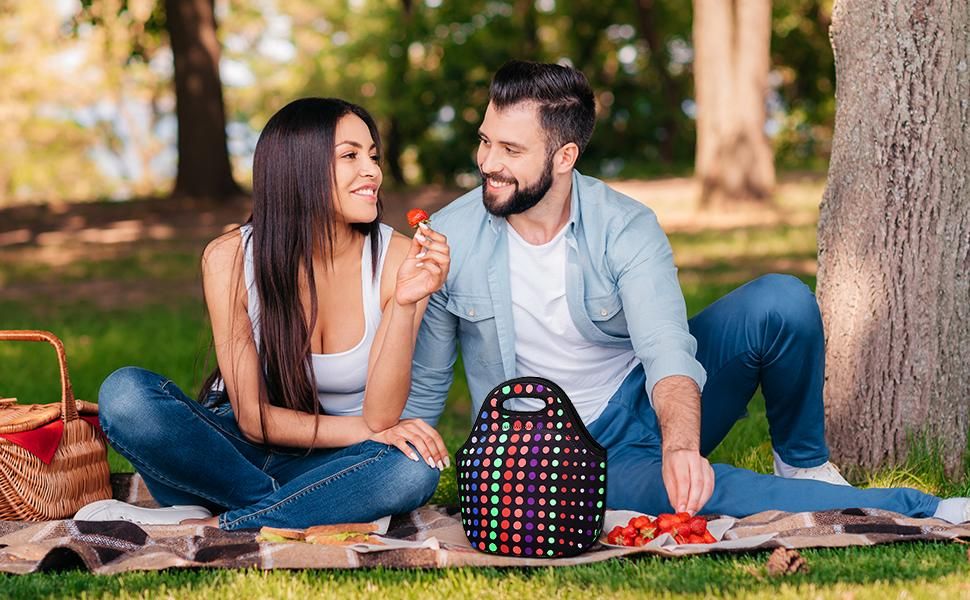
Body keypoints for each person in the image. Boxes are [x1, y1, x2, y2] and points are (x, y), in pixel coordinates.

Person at [402, 60, 969, 524]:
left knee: (781, 301)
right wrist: (401, 476)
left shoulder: (624, 226)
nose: (487, 163)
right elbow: (426, 389)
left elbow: (666, 348)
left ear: (565, 156)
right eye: (485, 141)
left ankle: (803, 464)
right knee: (711, 493)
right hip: (557, 455)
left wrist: (678, 445)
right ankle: (922, 509)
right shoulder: (450, 238)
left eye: (510, 150)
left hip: (643, 400)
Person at [75, 98, 452, 529]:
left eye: (373, 156)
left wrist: (404, 304)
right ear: (298, 168)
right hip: (230, 452)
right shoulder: (229, 257)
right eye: (350, 156)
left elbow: (382, 418)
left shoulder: (400, 258)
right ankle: (307, 507)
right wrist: (367, 435)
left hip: (333, 458)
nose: (373, 172)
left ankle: (220, 522)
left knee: (414, 468)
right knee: (125, 394)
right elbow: (254, 421)